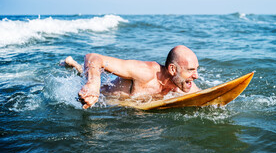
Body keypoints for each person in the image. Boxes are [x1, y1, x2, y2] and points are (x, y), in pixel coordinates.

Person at [64, 45, 200, 109]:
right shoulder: (145, 73)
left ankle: (79, 69)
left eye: (196, 70)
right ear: (172, 69)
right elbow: (93, 57)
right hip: (102, 99)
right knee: (87, 78)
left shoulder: (181, 84)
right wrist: (93, 85)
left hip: (129, 106)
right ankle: (76, 67)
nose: (196, 76)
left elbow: (207, 96)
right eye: (190, 70)